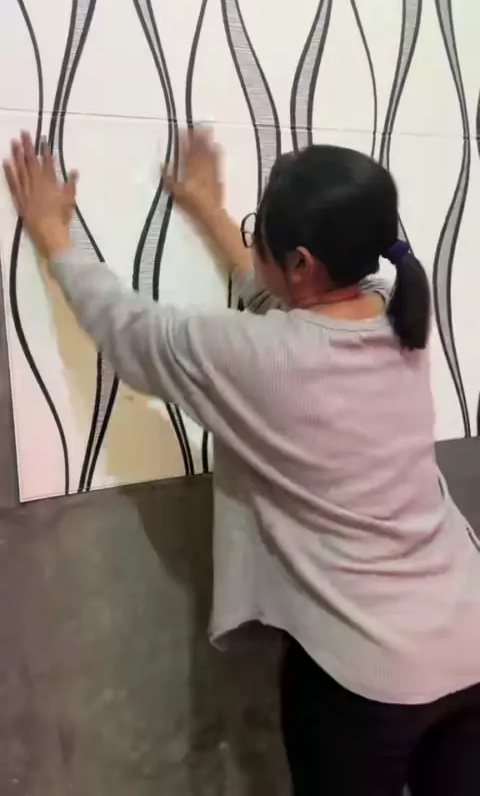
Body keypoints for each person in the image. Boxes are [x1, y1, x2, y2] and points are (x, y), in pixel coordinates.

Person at [4, 129, 480, 796]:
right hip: (467, 635)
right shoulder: (398, 317)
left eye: (261, 235)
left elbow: (125, 325)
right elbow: (290, 305)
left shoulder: (255, 356)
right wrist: (210, 210)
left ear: (302, 263)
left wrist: (53, 233)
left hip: (370, 676)